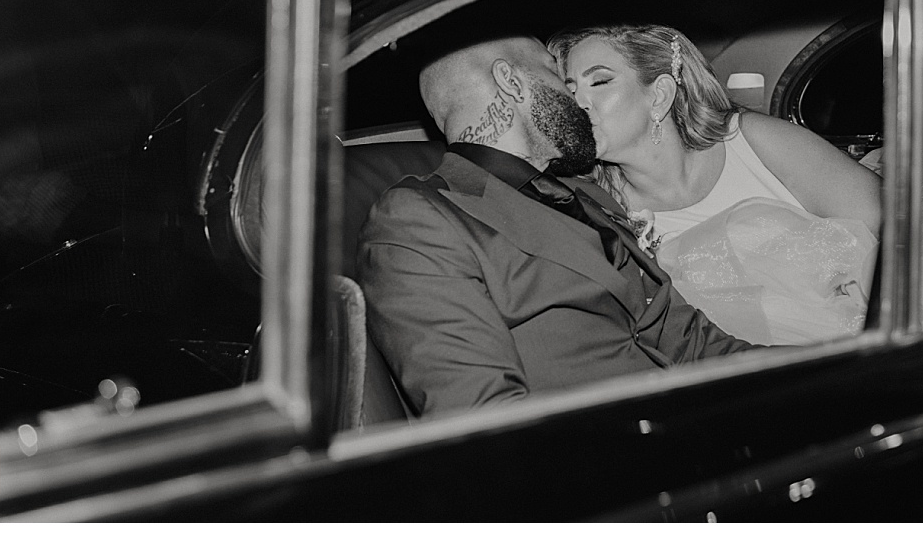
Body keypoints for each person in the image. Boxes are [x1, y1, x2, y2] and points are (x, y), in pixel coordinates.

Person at [357, 35, 759, 418]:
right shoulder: (418, 219)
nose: (576, 100)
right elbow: (487, 422)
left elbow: (690, 341)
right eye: (557, 75)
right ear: (511, 82)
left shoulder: (586, 196)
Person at [549, 25, 884, 346]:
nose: (577, 104)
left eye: (599, 82)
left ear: (659, 95)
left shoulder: (751, 142)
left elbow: (896, 229)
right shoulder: (596, 205)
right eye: (571, 89)